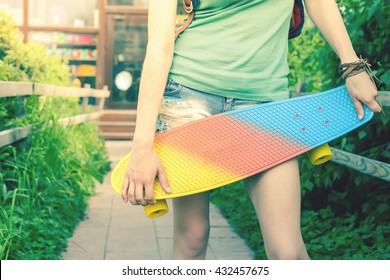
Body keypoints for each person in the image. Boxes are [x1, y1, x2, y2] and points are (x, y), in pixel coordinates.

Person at [120, 0, 382, 260]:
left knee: (287, 251)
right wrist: (142, 147)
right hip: (189, 96)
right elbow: (158, 47)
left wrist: (352, 65)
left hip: (265, 105)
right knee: (192, 238)